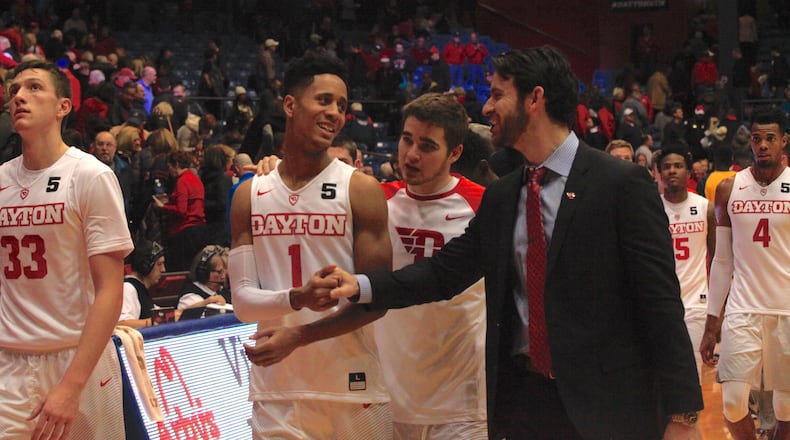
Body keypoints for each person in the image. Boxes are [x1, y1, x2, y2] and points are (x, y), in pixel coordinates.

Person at [320, 46, 703, 439]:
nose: (487, 109)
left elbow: (659, 301)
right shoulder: (503, 196)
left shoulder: (620, 183)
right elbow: (444, 272)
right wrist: (361, 285)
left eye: (498, 94)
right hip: (525, 402)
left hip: (609, 404)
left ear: (534, 99)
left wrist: (683, 413)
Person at [253, 93, 490, 438]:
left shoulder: (482, 205)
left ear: (454, 153)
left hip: (463, 406)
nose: (411, 154)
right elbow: (301, 205)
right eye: (407, 139)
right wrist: (274, 170)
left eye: (427, 146)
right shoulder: (375, 200)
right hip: (385, 401)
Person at [228, 52, 393, 439]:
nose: (335, 112)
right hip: (276, 391)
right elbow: (242, 302)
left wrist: (301, 334)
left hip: (354, 388)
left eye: (340, 105)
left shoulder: (362, 189)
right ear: (290, 104)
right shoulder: (250, 194)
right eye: (324, 100)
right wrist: (297, 299)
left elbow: (377, 299)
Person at [0, 60, 133, 438]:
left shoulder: (90, 176)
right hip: (9, 363)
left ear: (63, 106)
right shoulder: (1, 180)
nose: (20, 97)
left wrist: (71, 385)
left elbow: (111, 289)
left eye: (34, 87)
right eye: (14, 90)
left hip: (78, 359)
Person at [700, 106, 790, 440]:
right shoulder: (729, 188)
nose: (763, 145)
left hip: (786, 309)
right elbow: (722, 261)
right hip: (742, 310)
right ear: (749, 142)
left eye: (770, 138)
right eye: (757, 138)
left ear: (784, 141)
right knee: (734, 403)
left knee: (786, 409)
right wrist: (712, 324)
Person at [657, 142, 716, 376]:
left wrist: (716, 314)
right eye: (667, 166)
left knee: (692, 375)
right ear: (658, 173)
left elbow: (717, 259)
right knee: (664, 375)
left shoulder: (705, 208)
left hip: (696, 303)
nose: (672, 170)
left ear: (689, 172)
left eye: (678, 166)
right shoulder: (651, 209)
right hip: (663, 303)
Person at [119, 240, 169, 328]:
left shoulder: (140, 288)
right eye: (159, 264)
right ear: (145, 265)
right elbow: (123, 323)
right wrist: (157, 321)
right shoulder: (128, 288)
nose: (163, 270)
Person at [177, 245, 230, 310]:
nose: (223, 277)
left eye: (225, 272)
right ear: (203, 273)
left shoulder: (223, 292)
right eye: (219, 272)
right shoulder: (190, 298)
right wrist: (205, 303)